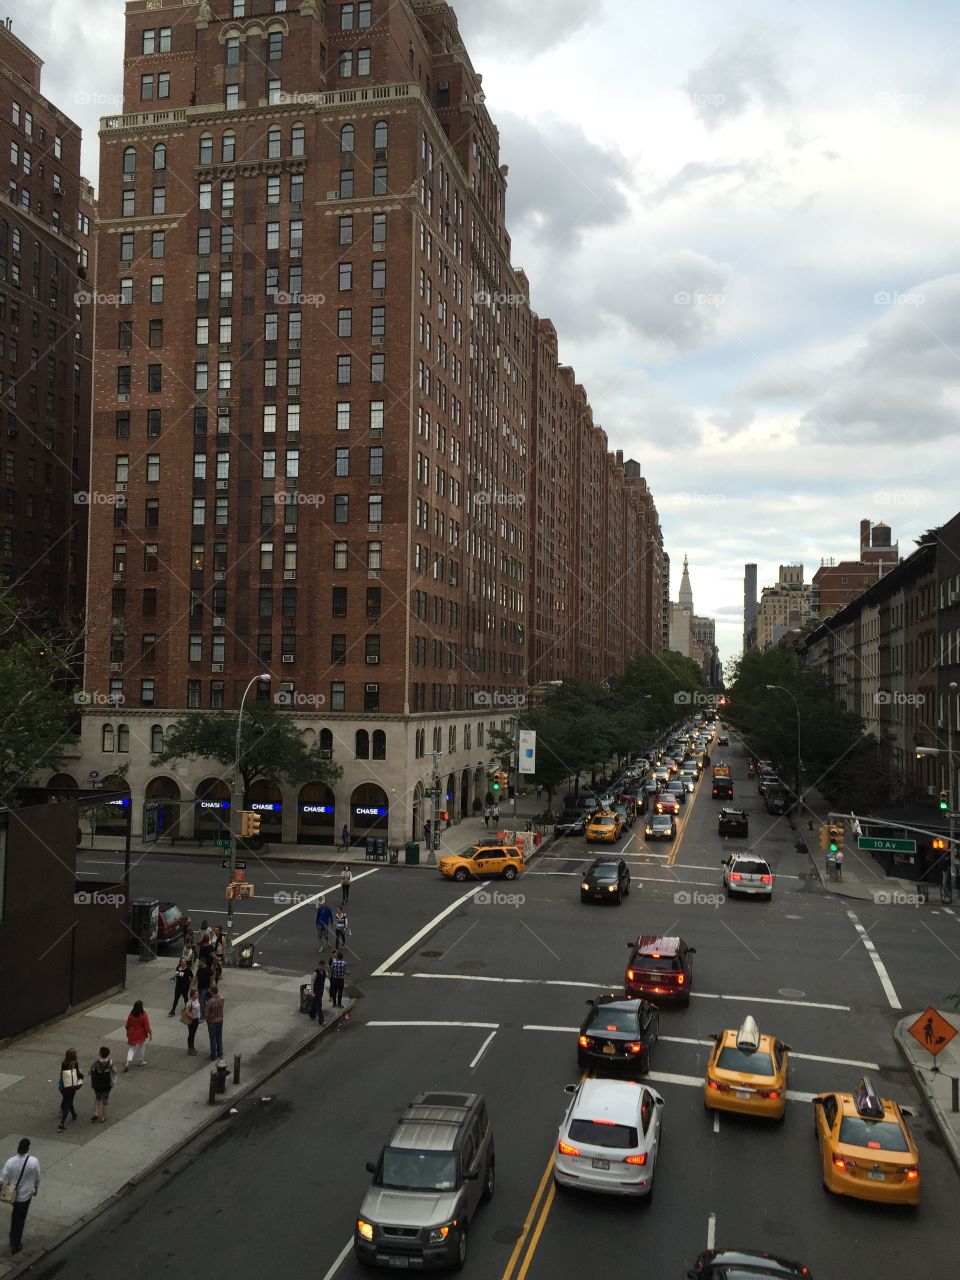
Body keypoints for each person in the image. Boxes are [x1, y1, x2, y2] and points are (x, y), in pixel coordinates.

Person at [2, 1138, 40, 1256]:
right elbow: (37, 1178)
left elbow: (2, 1178)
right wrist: (36, 1188)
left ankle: (12, 1235)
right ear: (28, 1148)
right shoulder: (33, 1162)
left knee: (15, 1215)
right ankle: (15, 1244)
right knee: (20, 1219)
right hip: (25, 1195)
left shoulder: (10, 1162)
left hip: (14, 1195)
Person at [58, 1049, 83, 1131]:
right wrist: (82, 1076)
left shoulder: (63, 1063)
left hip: (63, 1084)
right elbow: (77, 1074)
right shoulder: (74, 1063)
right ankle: (62, 1123)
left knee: (68, 1099)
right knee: (68, 1102)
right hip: (70, 1085)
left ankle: (73, 1114)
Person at [89, 1047, 116, 1124]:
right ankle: (103, 1117)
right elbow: (115, 1071)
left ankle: (96, 1113)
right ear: (108, 1054)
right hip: (107, 1084)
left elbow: (90, 1072)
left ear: (100, 1054)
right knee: (105, 1100)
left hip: (97, 1084)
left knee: (97, 1098)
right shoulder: (110, 1063)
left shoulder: (96, 1063)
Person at [123, 1000, 152, 1070]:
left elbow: (127, 1024)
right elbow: (147, 1026)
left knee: (132, 1048)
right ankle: (141, 1061)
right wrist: (150, 1033)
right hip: (140, 1034)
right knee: (141, 1046)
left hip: (131, 1033)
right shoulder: (144, 1015)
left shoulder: (131, 1014)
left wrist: (127, 1031)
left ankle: (128, 1062)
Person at [205, 985, 224, 1061]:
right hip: (220, 1019)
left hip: (212, 1021)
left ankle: (213, 1054)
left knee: (212, 1038)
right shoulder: (222, 999)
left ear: (212, 992)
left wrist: (208, 1019)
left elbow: (206, 1013)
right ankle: (220, 1052)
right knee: (219, 1035)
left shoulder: (210, 1001)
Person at [183, 987, 202, 1056]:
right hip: (192, 1020)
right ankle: (190, 1049)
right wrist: (192, 1017)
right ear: (192, 995)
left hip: (196, 1019)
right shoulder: (189, 1003)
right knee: (191, 1034)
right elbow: (186, 1012)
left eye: (197, 994)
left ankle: (192, 1047)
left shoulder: (196, 1000)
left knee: (193, 1034)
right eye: (196, 994)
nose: (197, 995)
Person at [196, 954, 213, 1019]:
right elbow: (196, 977)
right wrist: (192, 985)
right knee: (203, 1001)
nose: (198, 963)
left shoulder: (208, 969)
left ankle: (202, 1017)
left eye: (199, 961)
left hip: (205, 988)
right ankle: (209, 1012)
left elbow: (211, 978)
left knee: (202, 1002)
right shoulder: (199, 969)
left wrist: (210, 987)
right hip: (199, 987)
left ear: (202, 962)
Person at [312, 959, 328, 1024]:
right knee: (319, 1005)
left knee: (315, 1003)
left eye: (323, 966)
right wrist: (312, 992)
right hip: (316, 990)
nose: (322, 967)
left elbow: (328, 975)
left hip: (321, 990)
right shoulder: (315, 973)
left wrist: (329, 970)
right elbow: (312, 982)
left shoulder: (324, 971)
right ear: (319, 965)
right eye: (321, 966)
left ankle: (312, 1015)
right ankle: (321, 1021)